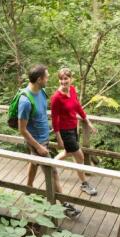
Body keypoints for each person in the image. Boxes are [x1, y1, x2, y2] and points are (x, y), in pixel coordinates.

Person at [18, 64, 81, 218]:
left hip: (44, 139)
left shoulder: (41, 92)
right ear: (39, 79)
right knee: (53, 173)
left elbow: (44, 115)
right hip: (37, 142)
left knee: (33, 163)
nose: (48, 79)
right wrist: (38, 147)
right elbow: (22, 130)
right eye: (46, 77)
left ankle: (28, 188)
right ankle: (65, 206)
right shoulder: (25, 101)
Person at [51, 67, 98, 196]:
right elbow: (54, 119)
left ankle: (50, 164)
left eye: (65, 78)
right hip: (65, 131)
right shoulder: (56, 98)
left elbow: (77, 106)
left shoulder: (72, 90)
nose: (63, 81)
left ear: (71, 79)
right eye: (61, 79)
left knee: (68, 152)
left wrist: (87, 120)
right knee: (79, 156)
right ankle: (84, 184)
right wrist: (58, 137)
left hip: (73, 127)